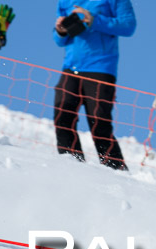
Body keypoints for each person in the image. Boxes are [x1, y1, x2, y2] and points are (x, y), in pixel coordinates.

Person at [52, 0, 136, 170]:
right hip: (71, 67)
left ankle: (116, 170)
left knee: (99, 123)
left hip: (100, 68)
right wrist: (60, 31)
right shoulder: (65, 2)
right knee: (62, 116)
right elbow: (59, 40)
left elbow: (128, 26)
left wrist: (94, 20)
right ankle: (72, 167)